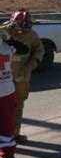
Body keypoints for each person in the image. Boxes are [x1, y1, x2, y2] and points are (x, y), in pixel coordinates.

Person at [3, 9, 45, 144]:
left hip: (21, 77)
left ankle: (15, 134)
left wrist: (34, 62)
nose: (22, 31)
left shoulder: (32, 35)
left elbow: (40, 50)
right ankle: (3, 134)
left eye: (26, 27)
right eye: (20, 26)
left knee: (18, 106)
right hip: (3, 76)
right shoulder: (3, 32)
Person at [0, 28, 29, 158]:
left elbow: (24, 49)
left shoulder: (7, 46)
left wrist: (9, 39)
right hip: (6, 92)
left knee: (7, 126)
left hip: (6, 93)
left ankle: (8, 154)